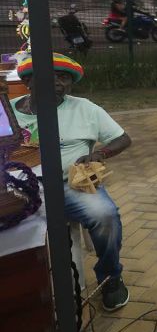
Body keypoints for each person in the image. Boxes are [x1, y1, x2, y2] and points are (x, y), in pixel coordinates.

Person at [12, 53, 132, 311]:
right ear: (28, 82)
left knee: (105, 215)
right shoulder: (7, 112)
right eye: (49, 75)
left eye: (64, 78)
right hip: (17, 188)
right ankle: (23, 293)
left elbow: (123, 138)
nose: (57, 82)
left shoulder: (84, 108)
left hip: (70, 185)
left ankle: (110, 276)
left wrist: (100, 153)